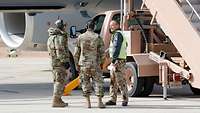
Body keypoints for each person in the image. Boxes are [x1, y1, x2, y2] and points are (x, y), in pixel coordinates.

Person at [74, 21, 105, 108]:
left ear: (87, 26)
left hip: (83, 64)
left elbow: (76, 53)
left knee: (85, 82)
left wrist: (77, 65)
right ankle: (100, 102)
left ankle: (88, 102)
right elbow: (102, 53)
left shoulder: (80, 37)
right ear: (94, 27)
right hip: (95, 64)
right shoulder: (97, 37)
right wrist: (101, 63)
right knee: (98, 82)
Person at [47, 19, 70, 107]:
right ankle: (55, 101)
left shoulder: (51, 37)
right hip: (60, 62)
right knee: (59, 81)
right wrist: (65, 62)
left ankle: (59, 99)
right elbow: (60, 50)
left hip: (54, 62)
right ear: (62, 26)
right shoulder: (60, 37)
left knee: (57, 80)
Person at [105, 20, 128, 106]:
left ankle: (124, 99)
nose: (111, 27)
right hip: (116, 60)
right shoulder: (116, 35)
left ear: (118, 25)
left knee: (120, 81)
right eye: (110, 25)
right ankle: (112, 99)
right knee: (113, 81)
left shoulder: (118, 34)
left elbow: (117, 47)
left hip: (118, 61)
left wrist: (113, 61)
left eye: (113, 25)